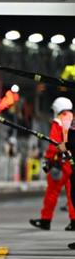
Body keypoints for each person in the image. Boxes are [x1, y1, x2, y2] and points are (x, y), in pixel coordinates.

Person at [30, 97, 75, 231]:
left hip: (60, 162)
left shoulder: (58, 121)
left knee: (52, 192)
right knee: (72, 194)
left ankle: (45, 220)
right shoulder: (73, 120)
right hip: (72, 162)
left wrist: (49, 160)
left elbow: (54, 144)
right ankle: (74, 221)